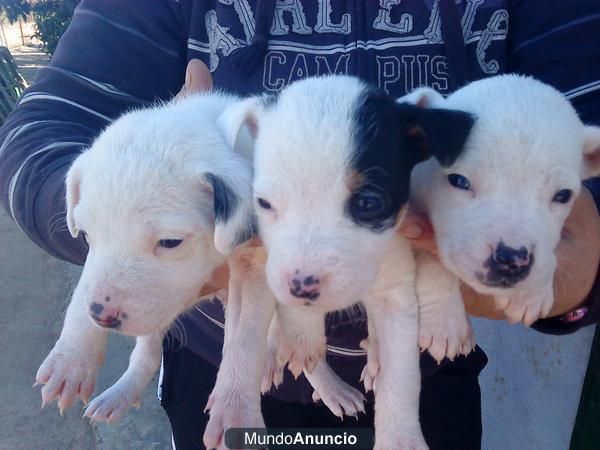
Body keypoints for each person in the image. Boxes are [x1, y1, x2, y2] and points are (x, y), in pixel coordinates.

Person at [0, 1, 598, 449]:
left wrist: (567, 269)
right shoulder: (236, 148)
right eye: (270, 204)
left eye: (363, 205)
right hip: (223, 367)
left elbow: (578, 152)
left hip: (427, 367)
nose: (306, 268)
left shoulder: (426, 142)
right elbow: (41, 132)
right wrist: (132, 212)